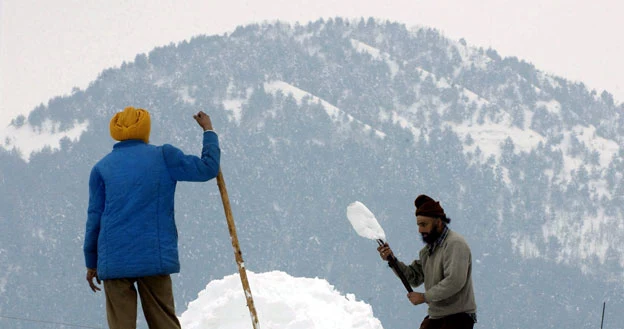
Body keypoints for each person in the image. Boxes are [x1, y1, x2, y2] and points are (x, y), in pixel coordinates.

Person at [83, 107, 220, 329]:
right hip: (153, 257)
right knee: (164, 323)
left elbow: (94, 219)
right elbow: (208, 169)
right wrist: (208, 131)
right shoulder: (164, 156)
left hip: (114, 259)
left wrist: (91, 262)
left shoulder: (101, 168)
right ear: (145, 129)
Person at [377, 195, 477, 329]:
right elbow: (414, 278)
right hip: (436, 317)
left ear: (439, 222)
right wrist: (392, 260)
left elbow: (455, 281)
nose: (420, 230)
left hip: (458, 318)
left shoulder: (455, 244)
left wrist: (425, 297)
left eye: (424, 224)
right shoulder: (427, 251)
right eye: (418, 225)